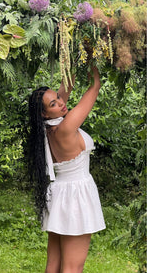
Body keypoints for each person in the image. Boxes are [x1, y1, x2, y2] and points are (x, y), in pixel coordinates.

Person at [28, 66, 106, 273]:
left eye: (58, 98)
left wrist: (73, 56)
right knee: (72, 267)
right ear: (44, 113)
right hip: (75, 195)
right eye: (54, 103)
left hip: (60, 193)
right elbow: (94, 88)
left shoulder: (48, 127)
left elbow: (66, 88)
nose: (62, 103)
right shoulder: (66, 127)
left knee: (54, 265)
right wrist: (94, 68)